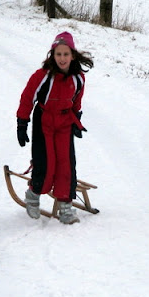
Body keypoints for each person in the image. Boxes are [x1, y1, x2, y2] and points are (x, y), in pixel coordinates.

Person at [16, 32, 94, 224]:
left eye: (65, 54)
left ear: (72, 55)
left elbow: (76, 101)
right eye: (58, 54)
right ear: (52, 55)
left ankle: (66, 207)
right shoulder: (42, 76)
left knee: (66, 165)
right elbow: (27, 98)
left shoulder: (78, 79)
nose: (62, 58)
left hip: (65, 122)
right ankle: (33, 195)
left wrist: (76, 120)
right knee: (46, 162)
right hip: (44, 121)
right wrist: (22, 123)